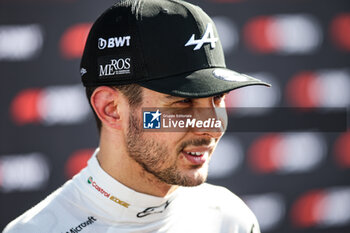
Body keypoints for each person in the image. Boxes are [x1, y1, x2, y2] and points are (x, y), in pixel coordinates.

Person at [3, 0, 270, 232]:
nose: (211, 125)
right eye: (183, 102)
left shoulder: (230, 218)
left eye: (217, 98)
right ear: (111, 109)